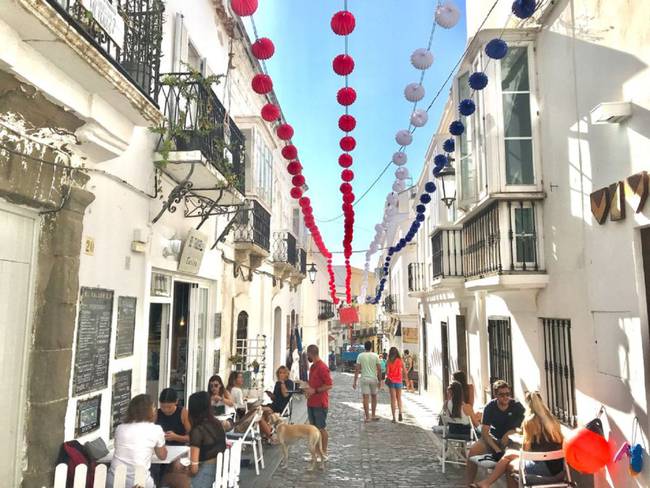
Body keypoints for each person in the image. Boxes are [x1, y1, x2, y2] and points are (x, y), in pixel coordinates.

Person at [471, 391, 564, 488]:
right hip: (558, 467)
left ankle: (486, 483)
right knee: (509, 454)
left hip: (543, 466)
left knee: (509, 464)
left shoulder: (530, 421)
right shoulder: (553, 419)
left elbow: (526, 450)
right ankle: (486, 483)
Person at [466, 380, 525, 485]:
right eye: (502, 395)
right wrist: (496, 448)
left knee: (510, 465)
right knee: (473, 451)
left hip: (512, 441)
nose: (505, 397)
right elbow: (485, 431)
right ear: (495, 395)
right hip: (493, 438)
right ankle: (468, 483)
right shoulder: (490, 407)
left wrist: (511, 432)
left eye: (508, 394)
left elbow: (525, 427)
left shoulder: (517, 406)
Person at [107, 394, 167, 488]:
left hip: (114, 480)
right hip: (139, 483)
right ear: (151, 411)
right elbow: (163, 456)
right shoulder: (156, 429)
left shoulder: (120, 428)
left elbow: (117, 447)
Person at [187, 391, 227, 488]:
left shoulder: (197, 431)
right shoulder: (217, 423)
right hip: (219, 472)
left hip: (204, 478)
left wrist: (185, 471)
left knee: (169, 479)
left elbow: (194, 469)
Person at [155, 388, 191, 488]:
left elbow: (191, 437)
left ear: (176, 402)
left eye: (169, 407)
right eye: (163, 407)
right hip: (161, 449)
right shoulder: (156, 414)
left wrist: (176, 437)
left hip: (180, 449)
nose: (166, 410)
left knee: (177, 465)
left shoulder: (183, 413)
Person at [305, 344, 333, 458]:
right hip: (311, 402)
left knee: (321, 428)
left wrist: (315, 391)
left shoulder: (322, 367)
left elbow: (329, 385)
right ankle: (316, 452)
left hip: (320, 403)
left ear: (311, 354)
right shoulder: (312, 367)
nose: (307, 357)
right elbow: (312, 384)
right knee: (313, 430)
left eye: (308, 354)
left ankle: (324, 452)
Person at [352, 340, 382, 422]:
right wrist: (380, 381)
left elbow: (357, 369)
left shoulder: (360, 356)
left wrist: (355, 382)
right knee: (374, 396)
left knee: (365, 397)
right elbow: (379, 369)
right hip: (373, 378)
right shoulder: (375, 355)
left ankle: (367, 417)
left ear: (364, 347)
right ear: (371, 347)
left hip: (364, 379)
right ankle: (373, 415)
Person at [385, 347, 408, 422]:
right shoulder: (400, 360)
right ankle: (400, 413)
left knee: (393, 399)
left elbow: (387, 372)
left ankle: (394, 417)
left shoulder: (389, 361)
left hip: (391, 381)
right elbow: (404, 371)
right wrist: (406, 379)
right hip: (399, 381)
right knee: (399, 398)